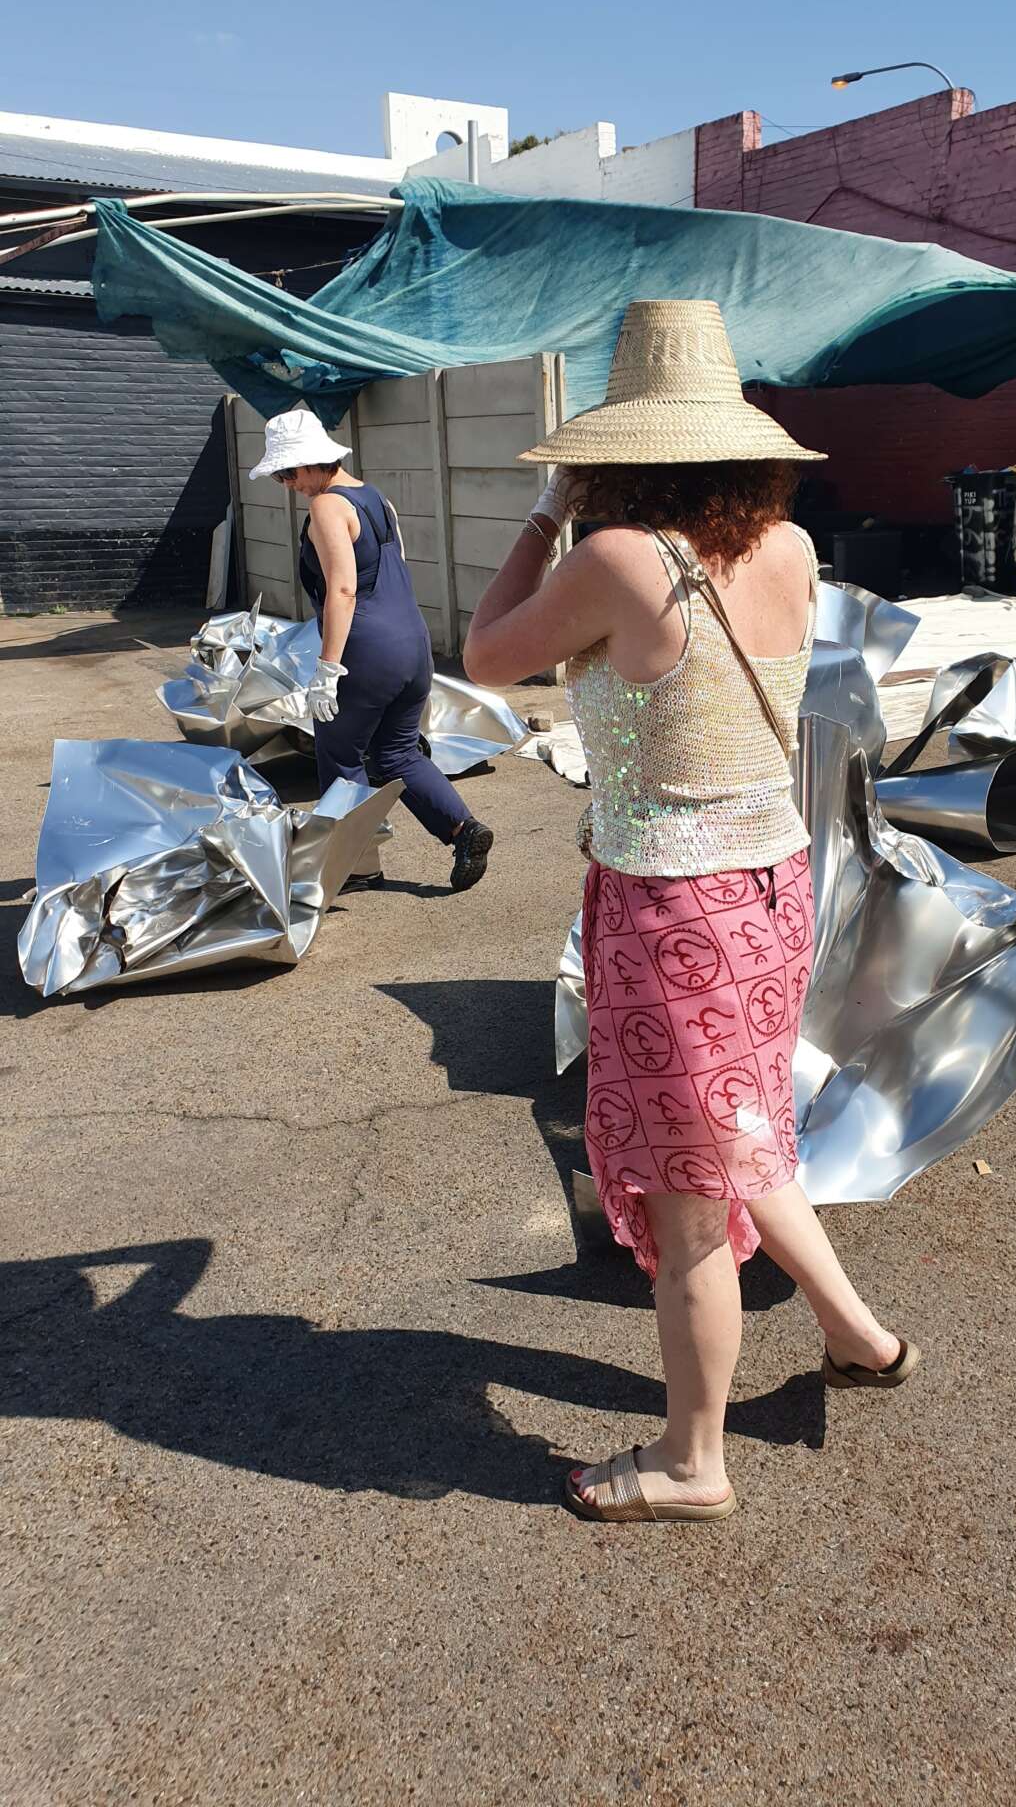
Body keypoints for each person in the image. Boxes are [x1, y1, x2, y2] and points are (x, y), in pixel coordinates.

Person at [462, 300, 917, 1524]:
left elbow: (488, 653)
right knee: (743, 1131)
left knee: (687, 1199)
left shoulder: (619, 560)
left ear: (618, 453)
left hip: (674, 914)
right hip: (770, 889)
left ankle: (691, 1460)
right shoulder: (791, 546)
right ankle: (857, 1335)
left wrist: (545, 516)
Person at [248, 409, 493, 891]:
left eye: (288, 473)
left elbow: (343, 589)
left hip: (365, 653)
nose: (287, 484)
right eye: (280, 476)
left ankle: (357, 868)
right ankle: (464, 830)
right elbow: (392, 570)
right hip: (412, 647)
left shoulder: (327, 507)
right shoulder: (376, 498)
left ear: (312, 461)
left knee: (340, 756)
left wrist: (327, 669)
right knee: (397, 753)